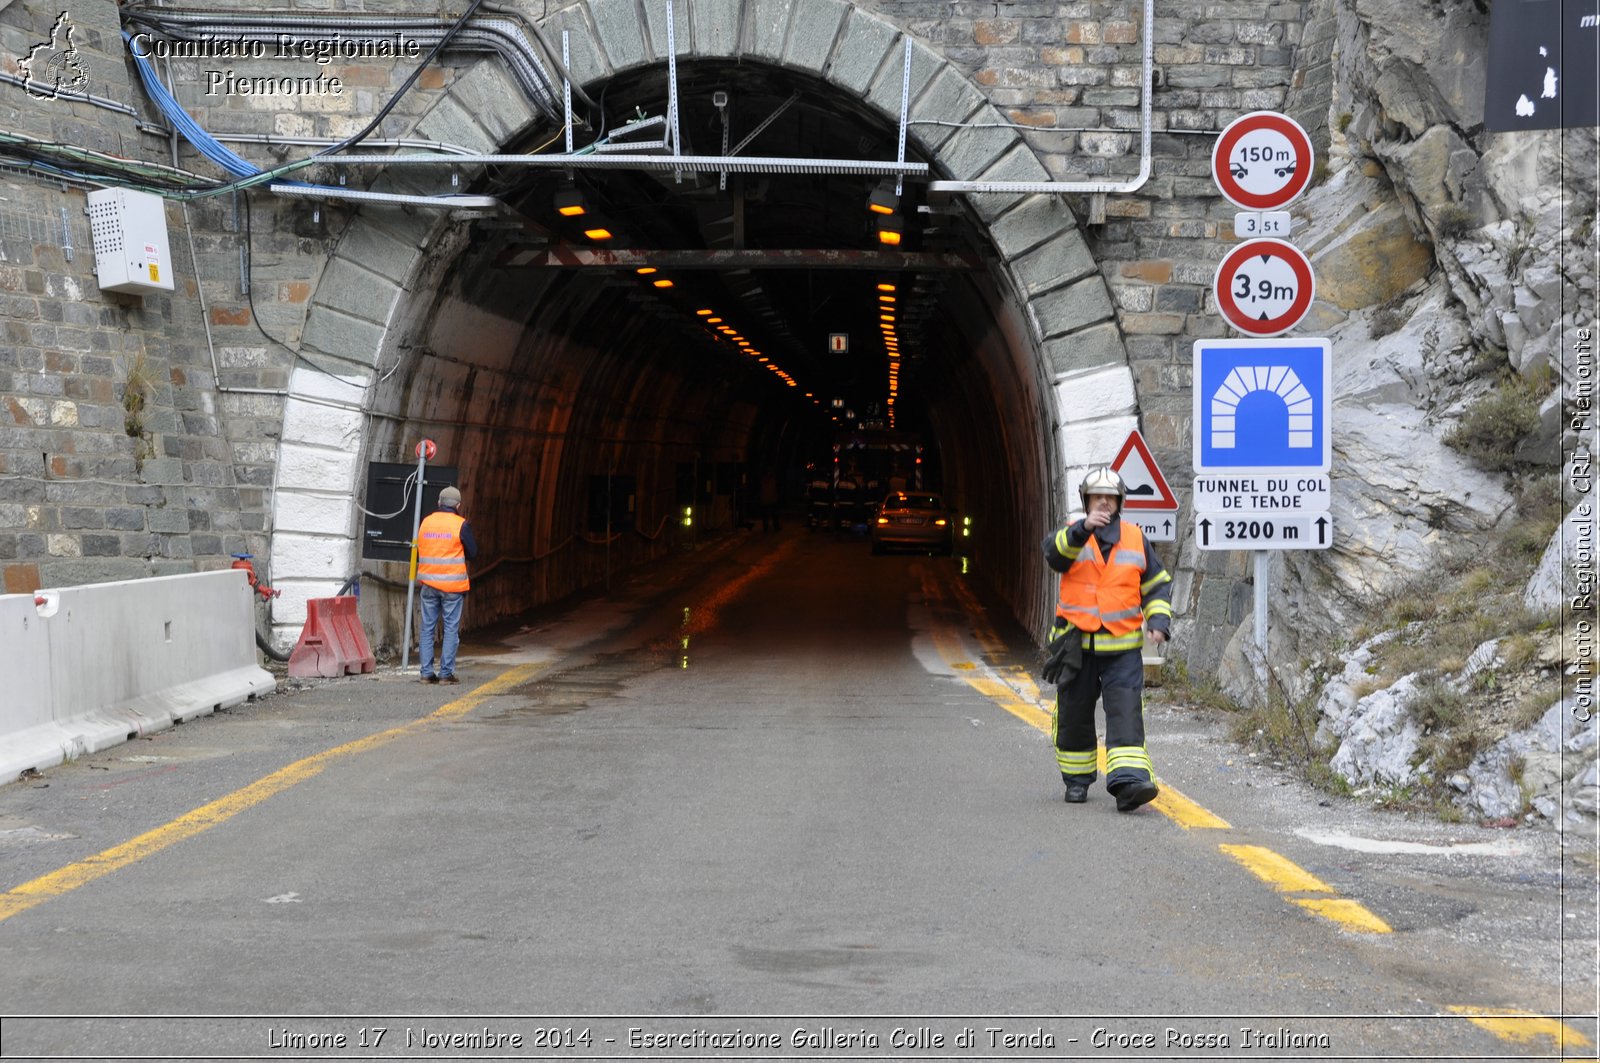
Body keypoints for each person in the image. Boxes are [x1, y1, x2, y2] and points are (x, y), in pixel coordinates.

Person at [1043, 466, 1173, 811]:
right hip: (1076, 647)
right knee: (1073, 714)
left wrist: (1158, 620)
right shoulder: (1071, 536)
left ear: (1119, 502)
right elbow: (1053, 556)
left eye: (1110, 497)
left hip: (1122, 650)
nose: (1104, 503)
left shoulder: (1134, 537)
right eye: (1097, 497)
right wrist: (1082, 530)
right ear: (1086, 502)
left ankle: (1129, 783)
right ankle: (1076, 780)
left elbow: (1156, 583)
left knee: (1126, 712)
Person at [416, 485, 477, 685]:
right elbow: (473, 552)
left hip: (429, 585)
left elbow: (420, 549)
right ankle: (445, 674)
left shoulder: (426, 522)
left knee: (427, 629)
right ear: (458, 505)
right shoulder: (461, 525)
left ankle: (426, 673)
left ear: (439, 503)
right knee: (450, 629)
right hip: (452, 587)